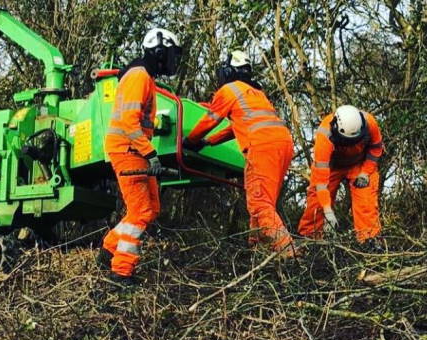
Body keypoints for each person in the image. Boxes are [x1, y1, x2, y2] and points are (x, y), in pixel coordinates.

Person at [183, 51, 297, 257]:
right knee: (262, 202)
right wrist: (209, 142)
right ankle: (258, 251)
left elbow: (211, 119)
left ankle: (289, 253)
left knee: (260, 204)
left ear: (227, 71)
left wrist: (191, 141)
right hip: (283, 144)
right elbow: (233, 128)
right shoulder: (256, 94)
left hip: (262, 146)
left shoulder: (229, 90)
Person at [100, 27, 182, 287]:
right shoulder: (138, 76)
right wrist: (151, 154)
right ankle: (121, 272)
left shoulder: (144, 76)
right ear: (159, 52)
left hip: (135, 149)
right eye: (170, 54)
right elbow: (128, 122)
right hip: (128, 149)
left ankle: (109, 248)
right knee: (140, 210)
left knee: (152, 209)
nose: (172, 60)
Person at [297, 105, 383, 245]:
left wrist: (365, 172)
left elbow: (376, 148)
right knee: (317, 202)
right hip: (332, 167)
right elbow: (321, 181)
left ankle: (370, 242)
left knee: (365, 200)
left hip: (359, 165)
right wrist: (327, 210)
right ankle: (308, 242)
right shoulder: (324, 135)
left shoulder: (369, 123)